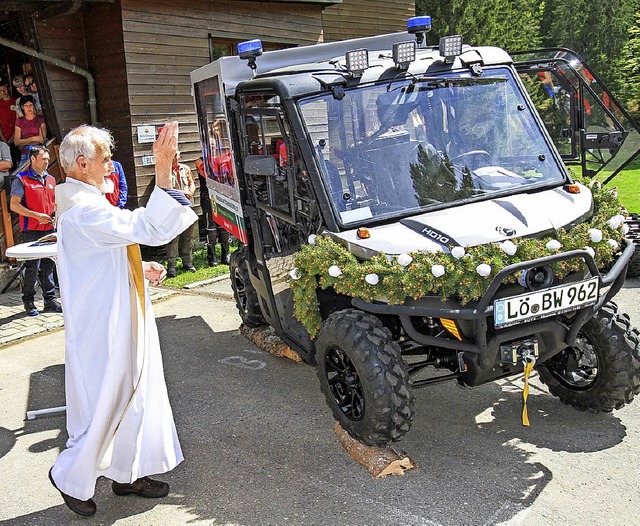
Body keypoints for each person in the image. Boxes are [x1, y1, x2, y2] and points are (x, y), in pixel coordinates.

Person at [49, 122, 197, 517]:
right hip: (104, 329)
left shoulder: (89, 206)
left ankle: (128, 473)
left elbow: (111, 249)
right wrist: (162, 169)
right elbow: (147, 226)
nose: (111, 167)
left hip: (118, 318)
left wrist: (138, 264)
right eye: (105, 159)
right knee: (108, 403)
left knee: (137, 397)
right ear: (82, 164)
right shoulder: (82, 213)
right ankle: (69, 475)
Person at [9, 146, 60, 316]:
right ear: (32, 159)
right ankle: (29, 301)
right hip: (30, 229)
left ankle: (50, 300)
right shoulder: (21, 179)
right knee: (32, 266)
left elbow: (53, 202)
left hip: (49, 228)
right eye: (43, 159)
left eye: (47, 158)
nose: (47, 161)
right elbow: (14, 205)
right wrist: (36, 215)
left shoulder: (51, 179)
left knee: (49, 265)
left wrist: (55, 212)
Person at [165, 151, 197, 276]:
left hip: (187, 207)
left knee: (188, 236)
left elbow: (192, 182)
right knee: (173, 238)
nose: (174, 159)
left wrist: (190, 192)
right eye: (172, 156)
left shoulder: (185, 168)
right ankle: (171, 266)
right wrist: (183, 193)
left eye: (176, 156)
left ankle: (187, 262)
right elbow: (166, 189)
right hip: (173, 209)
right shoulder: (165, 171)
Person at [195, 157, 230, 265]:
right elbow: (209, 175)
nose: (213, 147)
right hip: (207, 196)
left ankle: (226, 253)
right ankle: (212, 254)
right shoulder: (200, 161)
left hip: (222, 195)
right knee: (211, 227)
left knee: (224, 225)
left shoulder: (221, 158)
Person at [13, 95, 46, 165]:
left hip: (39, 152)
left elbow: (42, 139)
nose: (29, 107)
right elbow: (16, 142)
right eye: (26, 105)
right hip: (25, 153)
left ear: (34, 106)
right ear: (22, 107)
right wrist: (33, 138)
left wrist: (24, 141)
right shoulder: (19, 121)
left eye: (31, 105)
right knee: (23, 173)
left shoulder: (40, 119)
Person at [0, 82, 17, 147]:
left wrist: (14, 136)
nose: (3, 92)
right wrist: (2, 137)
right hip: (3, 137)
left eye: (5, 89)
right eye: (1, 90)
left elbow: (19, 120)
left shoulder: (16, 101)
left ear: (9, 89)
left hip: (16, 136)